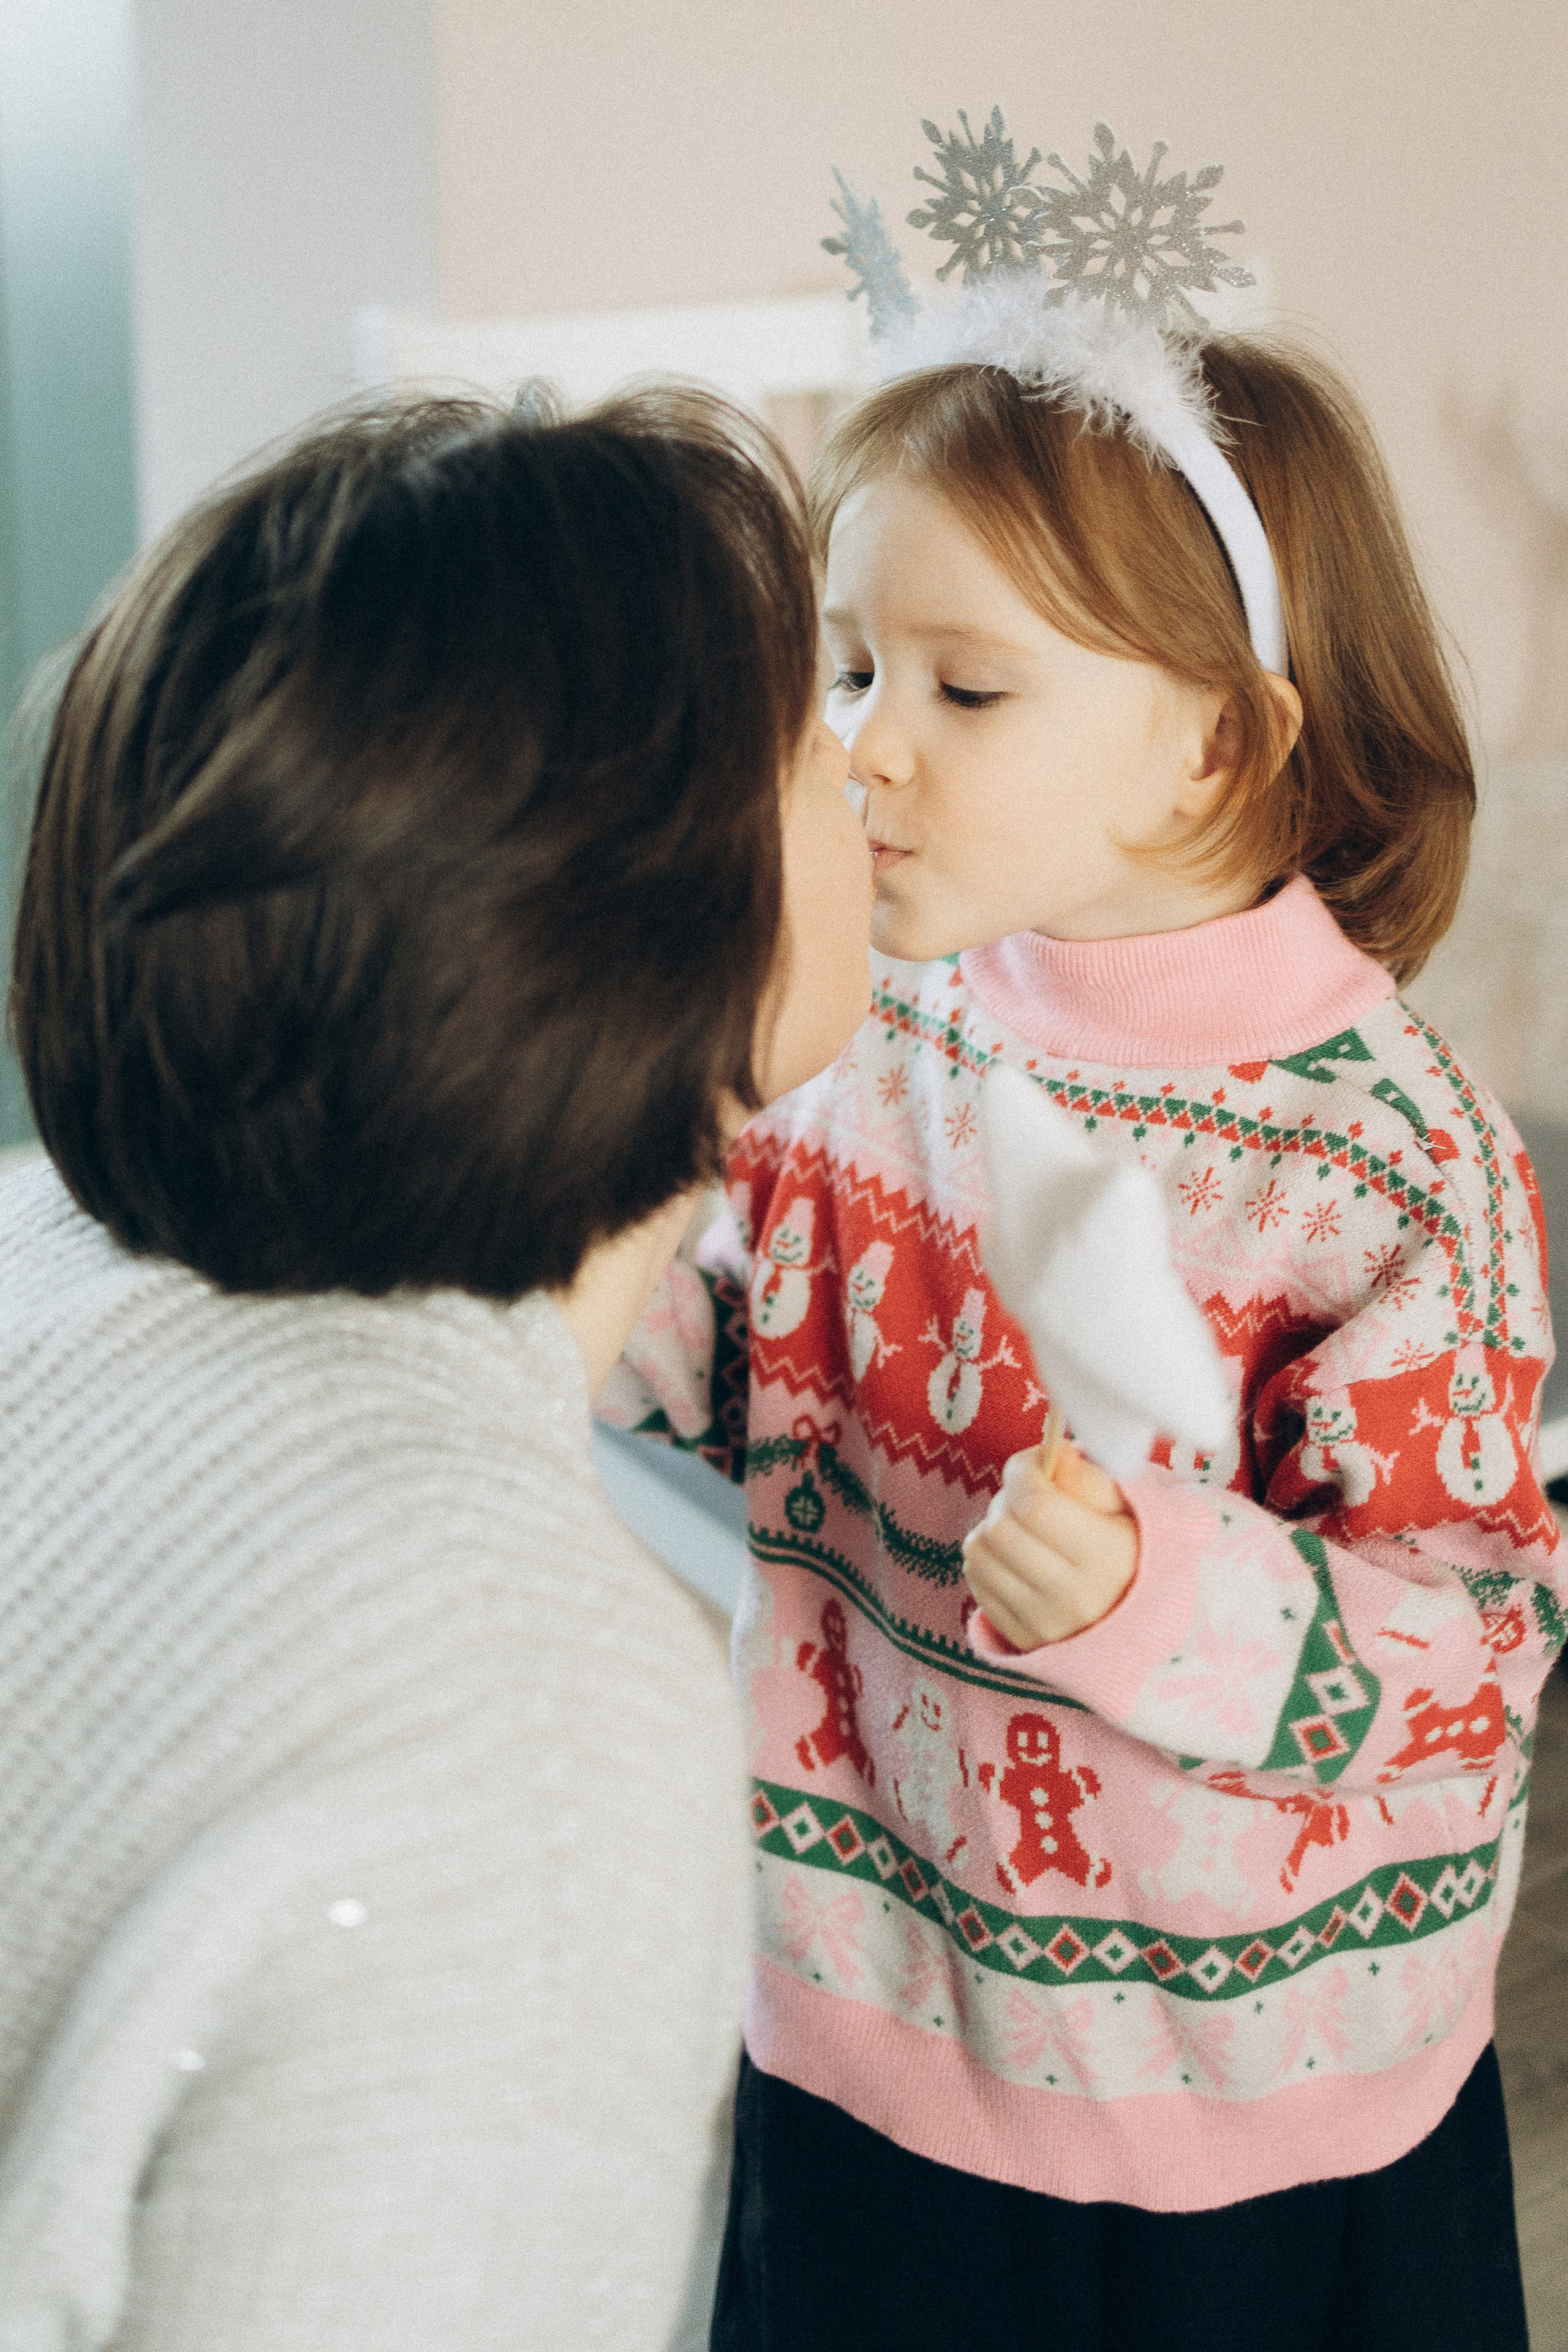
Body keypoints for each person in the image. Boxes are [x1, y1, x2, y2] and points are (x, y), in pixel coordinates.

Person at [603, 127, 1565, 2352]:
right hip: (869, 2025)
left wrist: (1161, 1594)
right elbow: (741, 1347)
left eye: (962, 689)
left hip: (1235, 2114)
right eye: (849, 670)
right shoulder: (871, 1034)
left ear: (1217, 745)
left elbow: (1471, 1664)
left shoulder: (1389, 1168)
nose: (864, 752)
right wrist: (528, 1240)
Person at [0, 385, 870, 2348]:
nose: (877, 776)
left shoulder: (34, 1236)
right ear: (637, 918)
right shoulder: (531, 1722)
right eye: (814, 728)